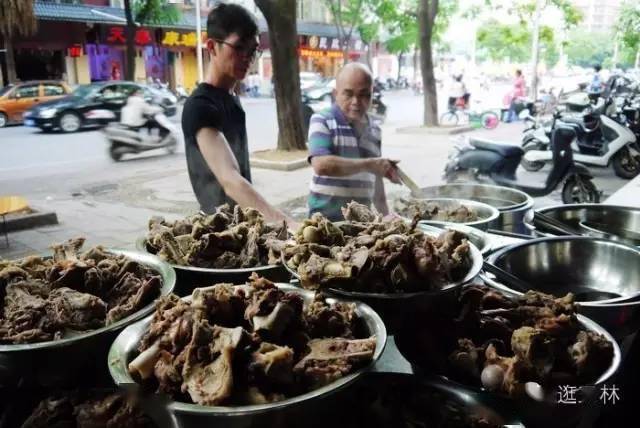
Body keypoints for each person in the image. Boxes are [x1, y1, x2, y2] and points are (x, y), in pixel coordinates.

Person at [181, 3, 293, 225]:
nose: (247, 58)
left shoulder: (232, 100)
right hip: (218, 232)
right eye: (239, 48)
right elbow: (230, 178)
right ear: (212, 47)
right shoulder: (200, 106)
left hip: (244, 224)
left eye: (253, 51)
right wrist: (285, 223)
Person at [307, 63, 401, 221]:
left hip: (362, 222)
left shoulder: (375, 130)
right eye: (348, 94)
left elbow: (376, 181)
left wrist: (386, 216)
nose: (356, 101)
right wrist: (371, 164)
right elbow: (321, 165)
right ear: (335, 94)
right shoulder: (322, 120)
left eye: (364, 95)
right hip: (325, 221)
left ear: (372, 95)